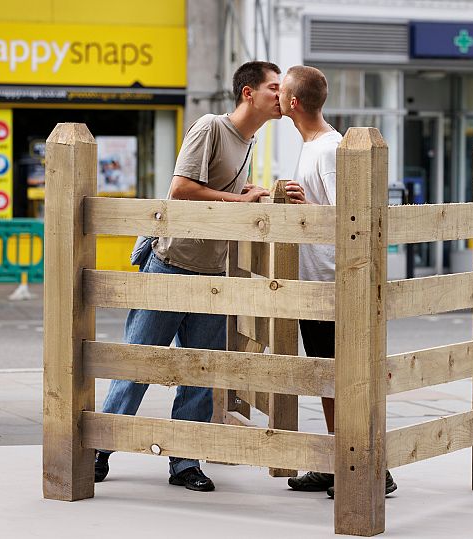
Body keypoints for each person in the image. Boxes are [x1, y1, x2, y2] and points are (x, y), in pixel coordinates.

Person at [94, 61, 282, 491]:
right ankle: (100, 448)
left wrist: (253, 196)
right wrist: (239, 201)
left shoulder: (250, 143)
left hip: (214, 272)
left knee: (201, 371)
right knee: (139, 362)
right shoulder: (211, 127)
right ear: (248, 93)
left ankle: (185, 463)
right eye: (273, 87)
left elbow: (228, 197)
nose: (280, 95)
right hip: (171, 263)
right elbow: (180, 189)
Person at [279, 65, 397, 498]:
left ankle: (371, 471)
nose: (276, 100)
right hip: (316, 284)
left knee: (344, 381)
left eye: (281, 94)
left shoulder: (329, 150)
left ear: (293, 103)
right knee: (329, 380)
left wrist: (308, 205)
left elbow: (348, 218)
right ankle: (336, 463)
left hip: (332, 284)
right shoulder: (313, 146)